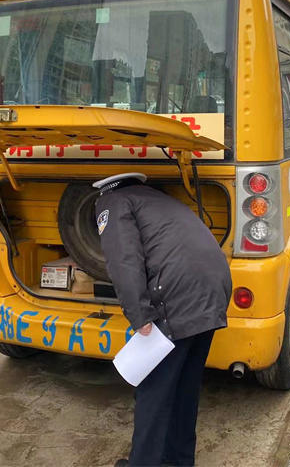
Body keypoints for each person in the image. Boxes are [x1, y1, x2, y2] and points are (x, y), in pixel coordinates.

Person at [93, 173, 232, 467]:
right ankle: (179, 461)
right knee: (184, 388)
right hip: (213, 293)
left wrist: (139, 314)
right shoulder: (159, 200)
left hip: (179, 299)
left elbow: (123, 260)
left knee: (153, 394)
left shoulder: (112, 201)